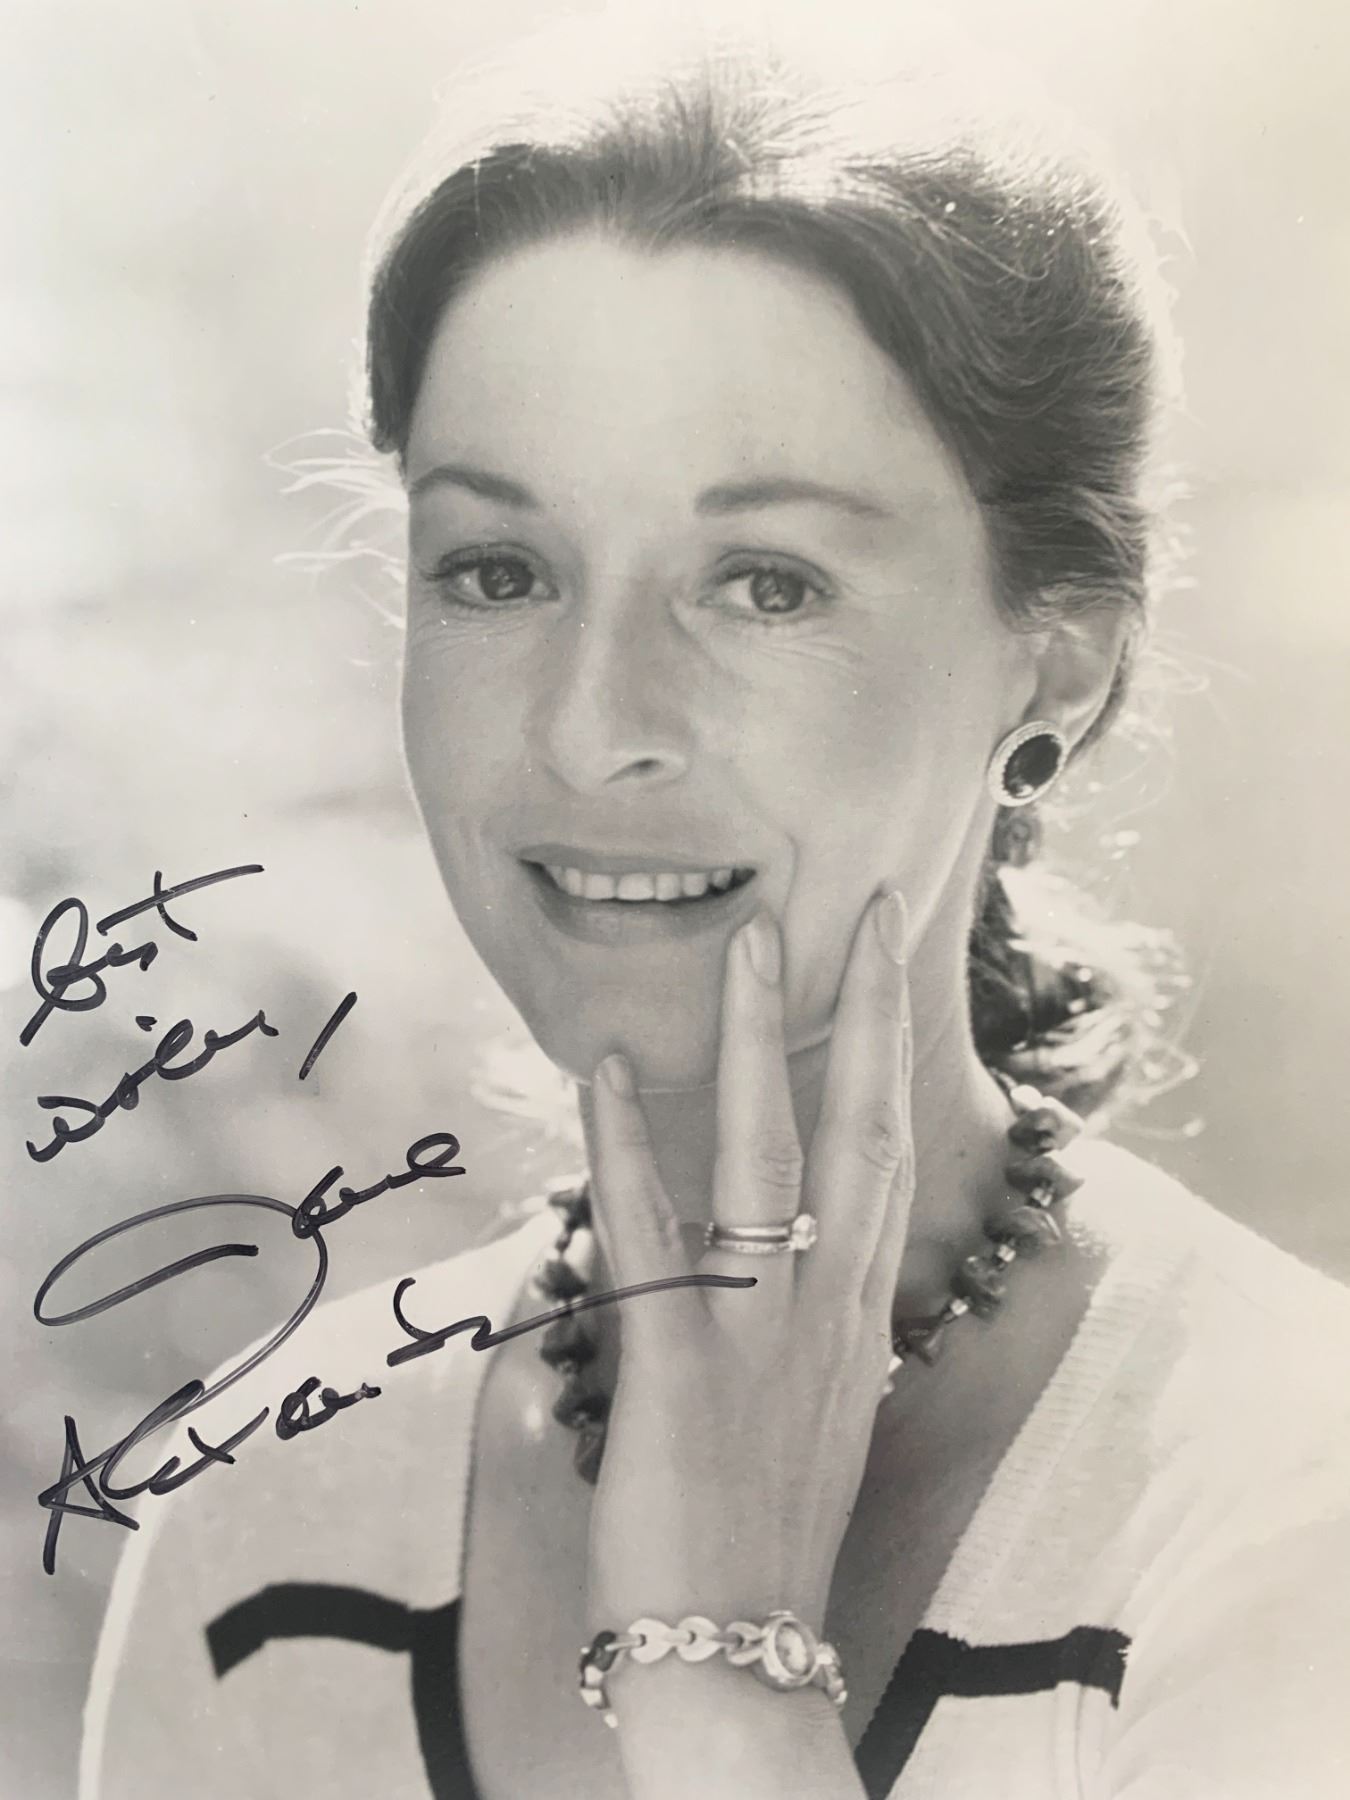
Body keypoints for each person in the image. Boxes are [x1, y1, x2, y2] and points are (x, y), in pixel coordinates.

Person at [79, 16, 1350, 1798]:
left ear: (1054, 666)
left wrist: (723, 1671)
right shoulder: (258, 1526)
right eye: (498, 571)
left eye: (765, 583)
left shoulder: (1288, 1508)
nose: (591, 725)